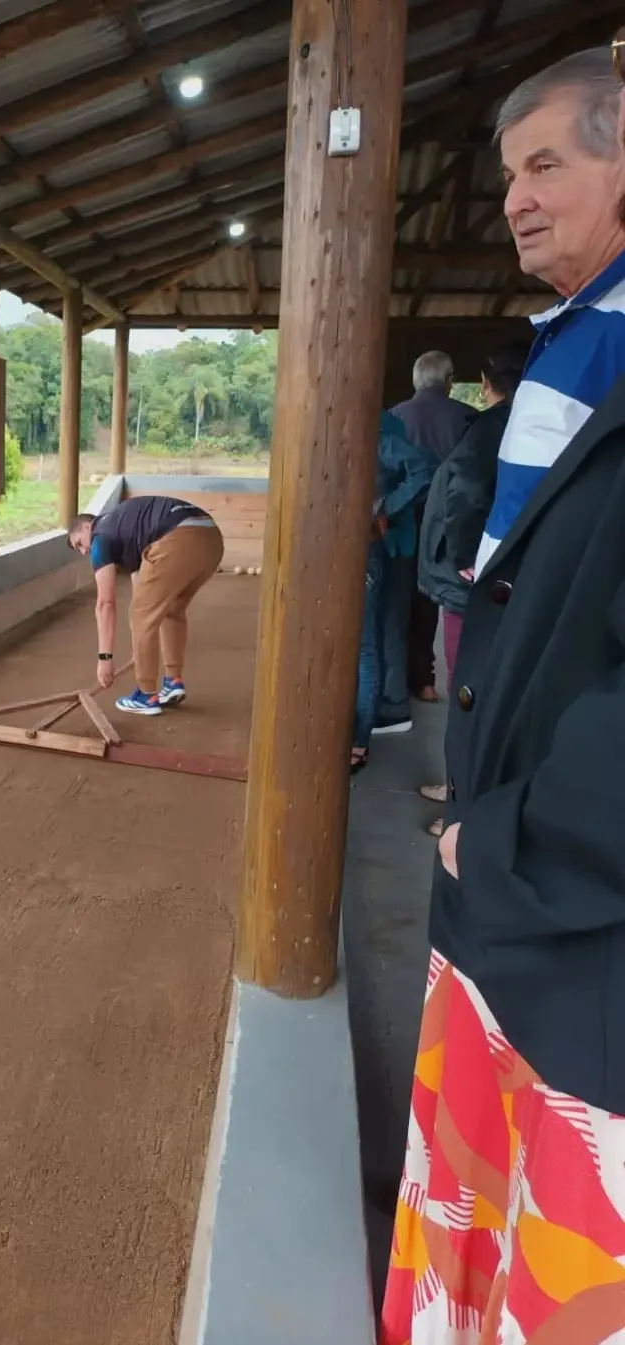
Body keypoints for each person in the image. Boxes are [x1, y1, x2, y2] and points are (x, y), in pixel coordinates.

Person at [381, 44, 625, 1345]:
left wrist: (513, 834)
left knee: (557, 1254)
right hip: (508, 877)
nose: (516, 199)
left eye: (546, 166)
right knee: (483, 1209)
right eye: (508, 174)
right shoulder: (571, 349)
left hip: (577, 903)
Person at [415, 342, 529, 834]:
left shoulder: (491, 427)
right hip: (508, 575)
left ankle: (462, 811)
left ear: (485, 384)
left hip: (477, 583)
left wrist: (464, 557)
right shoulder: (523, 425)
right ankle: (459, 789)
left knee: (468, 689)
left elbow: (467, 493)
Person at [67, 496, 223, 715]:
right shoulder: (124, 527)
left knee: (140, 616)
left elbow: (105, 603)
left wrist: (105, 658)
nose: (84, 551)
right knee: (171, 609)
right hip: (211, 539)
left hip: (178, 538)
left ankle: (146, 695)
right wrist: (142, 648)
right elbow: (144, 588)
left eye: (79, 544)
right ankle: (173, 682)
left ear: (86, 527)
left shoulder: (99, 536)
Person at [388, 352, 477, 706]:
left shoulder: (395, 416)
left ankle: (401, 681)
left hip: (401, 518)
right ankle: (432, 680)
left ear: (416, 380)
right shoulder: (467, 417)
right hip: (448, 520)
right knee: (440, 597)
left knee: (401, 597)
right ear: (449, 381)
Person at [352, 413, 437, 773]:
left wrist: (385, 505)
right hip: (352, 549)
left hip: (379, 546)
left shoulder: (377, 430)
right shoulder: (335, 430)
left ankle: (369, 730)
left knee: (374, 641)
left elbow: (424, 469)